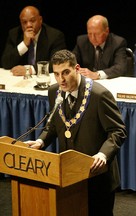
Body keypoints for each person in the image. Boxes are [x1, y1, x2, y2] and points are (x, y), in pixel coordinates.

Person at [25, 49, 127, 215]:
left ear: (77, 68)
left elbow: (118, 131)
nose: (61, 80)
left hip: (96, 176)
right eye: (56, 74)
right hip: (69, 175)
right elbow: (54, 124)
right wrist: (41, 141)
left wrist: (103, 154)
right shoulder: (54, 92)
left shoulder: (99, 95)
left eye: (65, 72)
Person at [1, 5, 66, 76]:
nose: (28, 25)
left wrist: (30, 70)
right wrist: (24, 44)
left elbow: (58, 63)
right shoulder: (14, 34)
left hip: (42, 79)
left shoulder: (54, 36)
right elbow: (6, 63)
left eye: (32, 21)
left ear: (40, 20)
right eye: (24, 22)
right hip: (20, 81)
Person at [73, 15, 127, 80]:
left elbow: (120, 68)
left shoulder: (118, 43)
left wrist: (97, 74)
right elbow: (71, 61)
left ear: (106, 31)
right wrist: (78, 70)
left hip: (108, 83)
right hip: (87, 82)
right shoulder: (82, 41)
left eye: (97, 34)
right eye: (90, 34)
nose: (93, 38)